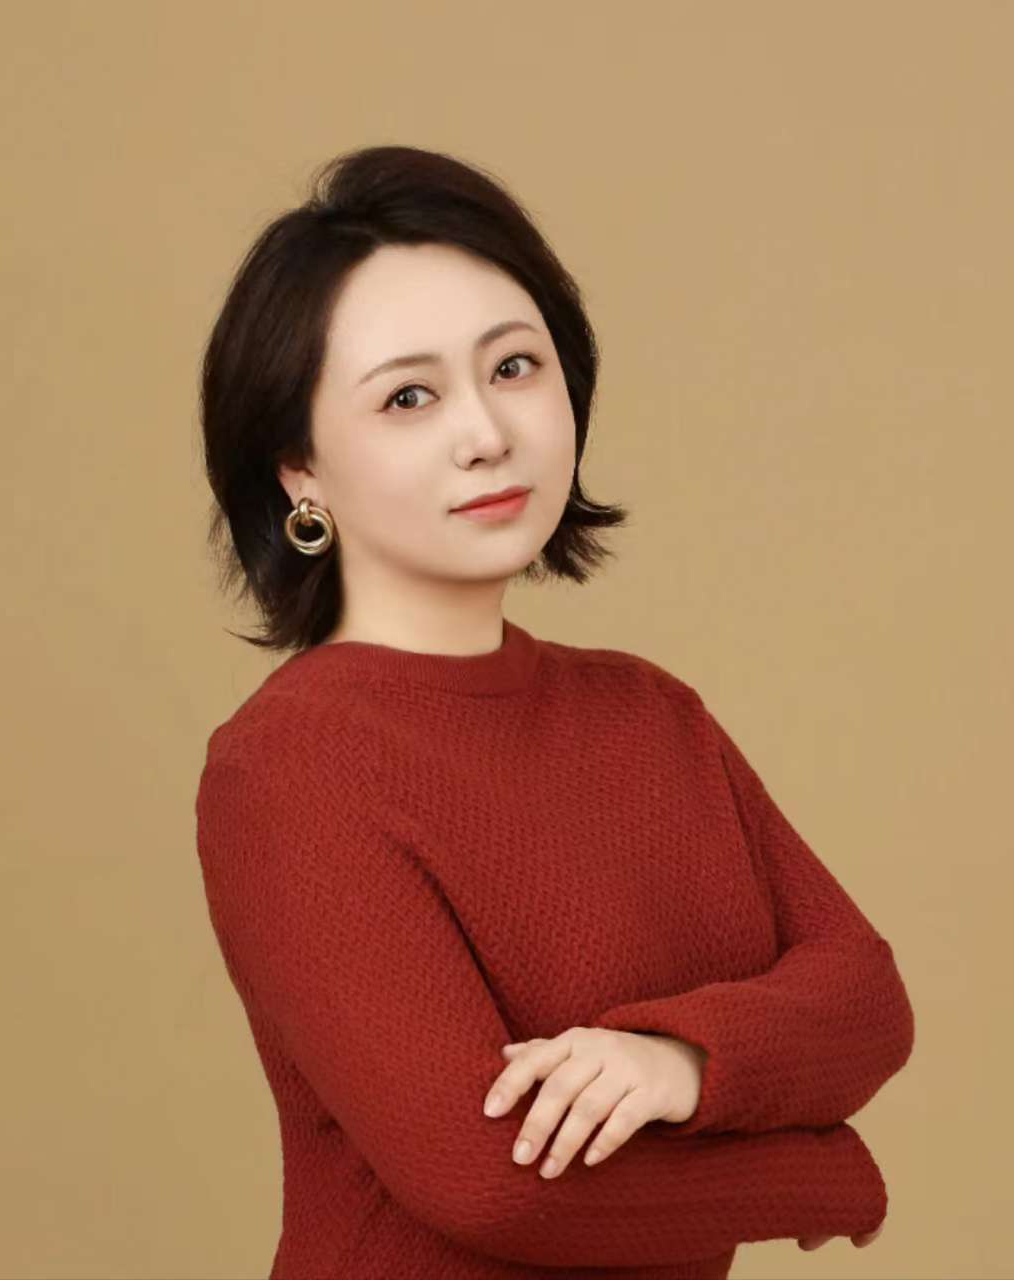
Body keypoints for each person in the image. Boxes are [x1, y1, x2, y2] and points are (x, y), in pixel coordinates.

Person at [194, 144, 914, 1280]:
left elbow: (865, 997)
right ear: (300, 472)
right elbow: (488, 1179)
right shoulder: (293, 764)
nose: (486, 430)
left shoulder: (649, 715)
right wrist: (831, 1173)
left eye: (515, 366)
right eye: (409, 396)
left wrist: (681, 1062)